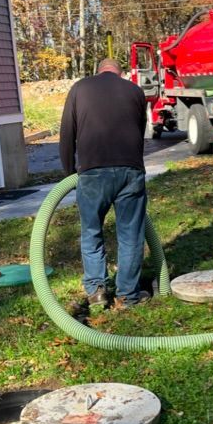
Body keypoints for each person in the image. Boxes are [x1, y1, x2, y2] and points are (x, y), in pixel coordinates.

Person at [59, 58, 150, 308]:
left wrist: (69, 172)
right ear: (120, 73)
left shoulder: (80, 88)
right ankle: (128, 296)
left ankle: (97, 290)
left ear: (97, 71)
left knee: (91, 231)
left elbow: (67, 132)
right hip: (130, 170)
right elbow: (139, 129)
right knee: (131, 235)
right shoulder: (135, 90)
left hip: (92, 172)